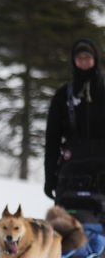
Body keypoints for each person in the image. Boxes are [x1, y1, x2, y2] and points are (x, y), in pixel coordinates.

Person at [44, 39, 105, 199]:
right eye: (80, 58)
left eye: (87, 57)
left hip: (103, 168)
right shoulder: (62, 96)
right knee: (67, 221)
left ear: (95, 59)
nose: (84, 61)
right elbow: (52, 139)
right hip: (72, 169)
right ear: (74, 61)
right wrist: (49, 177)